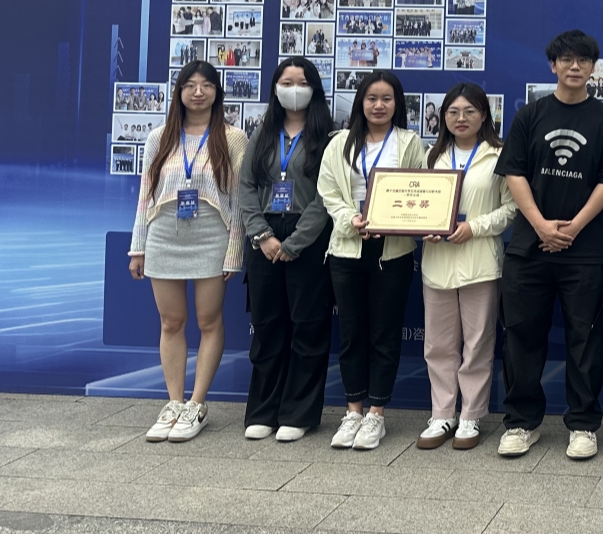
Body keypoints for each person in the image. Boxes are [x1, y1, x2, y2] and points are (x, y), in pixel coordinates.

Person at [495, 31, 603, 460]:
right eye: (566, 59)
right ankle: (521, 422)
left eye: (583, 60)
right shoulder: (530, 115)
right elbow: (514, 173)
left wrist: (571, 229)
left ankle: (583, 425)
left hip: (582, 250)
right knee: (521, 337)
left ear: (593, 68)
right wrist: (540, 226)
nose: (575, 66)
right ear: (553, 65)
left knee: (584, 340)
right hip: (528, 248)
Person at [129, 61, 247, 442]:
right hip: (164, 235)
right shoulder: (158, 137)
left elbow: (238, 202)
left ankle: (197, 404)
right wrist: (138, 247)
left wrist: (234, 250)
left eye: (206, 85)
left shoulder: (233, 138)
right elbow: (145, 196)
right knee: (171, 322)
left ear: (217, 92)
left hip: (212, 237)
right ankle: (174, 402)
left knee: (208, 321)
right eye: (190, 85)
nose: (198, 92)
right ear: (179, 91)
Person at [318, 70, 425, 450]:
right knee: (351, 334)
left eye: (387, 99)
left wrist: (399, 220)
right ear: (360, 102)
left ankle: (376, 414)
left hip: (392, 252)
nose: (379, 105)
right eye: (371, 98)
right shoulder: (339, 142)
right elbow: (329, 192)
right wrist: (352, 219)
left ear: (398, 104)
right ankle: (353, 412)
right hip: (347, 248)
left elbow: (420, 190)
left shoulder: (409, 143)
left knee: (384, 334)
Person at [239, 57, 334, 442]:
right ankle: (263, 410)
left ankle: (299, 413)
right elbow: (246, 186)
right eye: (286, 82)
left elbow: (327, 194)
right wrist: (261, 235)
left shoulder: (328, 137)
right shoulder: (263, 133)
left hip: (307, 237)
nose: (294, 89)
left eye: (302, 82)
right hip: (264, 237)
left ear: (314, 89)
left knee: (307, 327)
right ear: (275, 88)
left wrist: (296, 242)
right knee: (267, 326)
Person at [416, 83, 516, 451]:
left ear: (484, 115)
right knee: (437, 344)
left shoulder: (499, 155)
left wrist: (475, 227)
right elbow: (416, 202)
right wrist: (423, 227)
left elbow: (511, 208)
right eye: (453, 112)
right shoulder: (431, 156)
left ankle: (471, 415)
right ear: (443, 116)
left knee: (477, 344)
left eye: (470, 111)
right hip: (437, 261)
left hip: (480, 261)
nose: (461, 118)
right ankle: (442, 413)